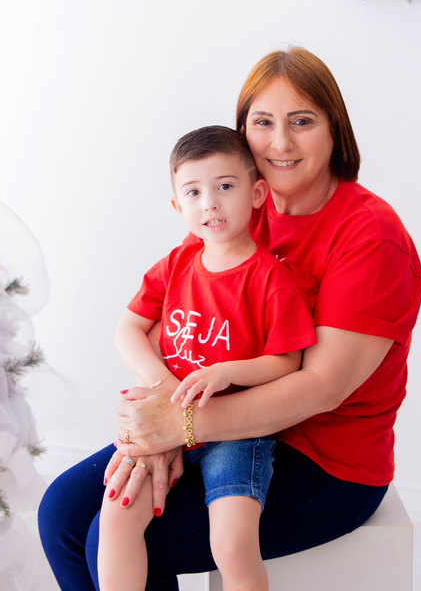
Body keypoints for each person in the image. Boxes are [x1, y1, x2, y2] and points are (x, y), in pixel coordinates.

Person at [39, 47, 421, 591]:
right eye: (263, 123)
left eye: (302, 121)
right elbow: (171, 317)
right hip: (211, 425)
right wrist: (163, 419)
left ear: (335, 129)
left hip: (323, 462)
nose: (280, 142)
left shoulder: (370, 235)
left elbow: (324, 387)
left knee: (122, 535)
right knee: (61, 513)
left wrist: (178, 426)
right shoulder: (239, 209)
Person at [98, 126, 317, 591]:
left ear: (257, 194)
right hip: (163, 418)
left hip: (235, 433)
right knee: (116, 516)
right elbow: (126, 330)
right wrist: (162, 386)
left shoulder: (271, 279)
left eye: (225, 186)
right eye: (194, 192)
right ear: (177, 206)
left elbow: (287, 362)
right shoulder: (176, 264)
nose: (210, 204)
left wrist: (225, 372)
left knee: (232, 545)